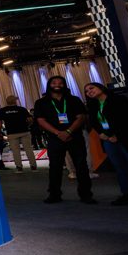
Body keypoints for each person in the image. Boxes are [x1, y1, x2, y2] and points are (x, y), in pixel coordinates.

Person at [33, 76, 95, 204]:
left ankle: (86, 195)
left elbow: (81, 117)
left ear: (65, 85)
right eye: (54, 82)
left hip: (75, 137)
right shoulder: (41, 102)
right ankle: (54, 194)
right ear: (49, 85)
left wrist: (68, 131)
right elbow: (40, 120)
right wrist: (58, 133)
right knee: (55, 167)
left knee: (81, 166)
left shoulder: (74, 100)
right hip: (54, 139)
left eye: (61, 82)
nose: (57, 84)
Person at [84, 82, 128, 206]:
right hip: (108, 140)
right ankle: (127, 194)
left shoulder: (118, 99)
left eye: (91, 88)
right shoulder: (93, 105)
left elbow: (126, 119)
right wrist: (101, 133)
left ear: (101, 87)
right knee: (120, 168)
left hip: (124, 138)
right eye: (86, 91)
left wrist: (117, 135)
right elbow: (94, 122)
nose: (89, 91)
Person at [0, 95, 38, 172]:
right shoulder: (22, 109)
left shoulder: (2, 110)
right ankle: (33, 166)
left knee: (15, 151)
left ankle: (19, 168)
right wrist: (28, 126)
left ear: (7, 101)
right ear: (15, 101)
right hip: (24, 131)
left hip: (12, 133)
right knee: (28, 149)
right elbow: (30, 119)